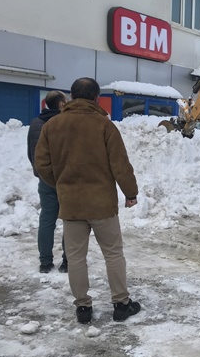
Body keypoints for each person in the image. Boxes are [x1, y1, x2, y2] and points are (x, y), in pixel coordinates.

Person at [34, 77, 141, 324]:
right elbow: (120, 165)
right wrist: (130, 193)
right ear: (95, 99)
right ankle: (121, 304)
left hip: (71, 205)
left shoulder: (52, 126)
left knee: (76, 257)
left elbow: (42, 164)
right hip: (102, 204)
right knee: (113, 254)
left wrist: (61, 184)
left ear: (71, 97)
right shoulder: (104, 126)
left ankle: (83, 308)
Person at [27, 91, 68, 274]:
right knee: (71, 219)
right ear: (60, 104)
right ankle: (67, 261)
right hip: (66, 179)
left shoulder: (36, 123)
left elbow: (32, 152)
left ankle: (45, 263)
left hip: (45, 179)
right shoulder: (66, 123)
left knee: (46, 220)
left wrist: (40, 173)